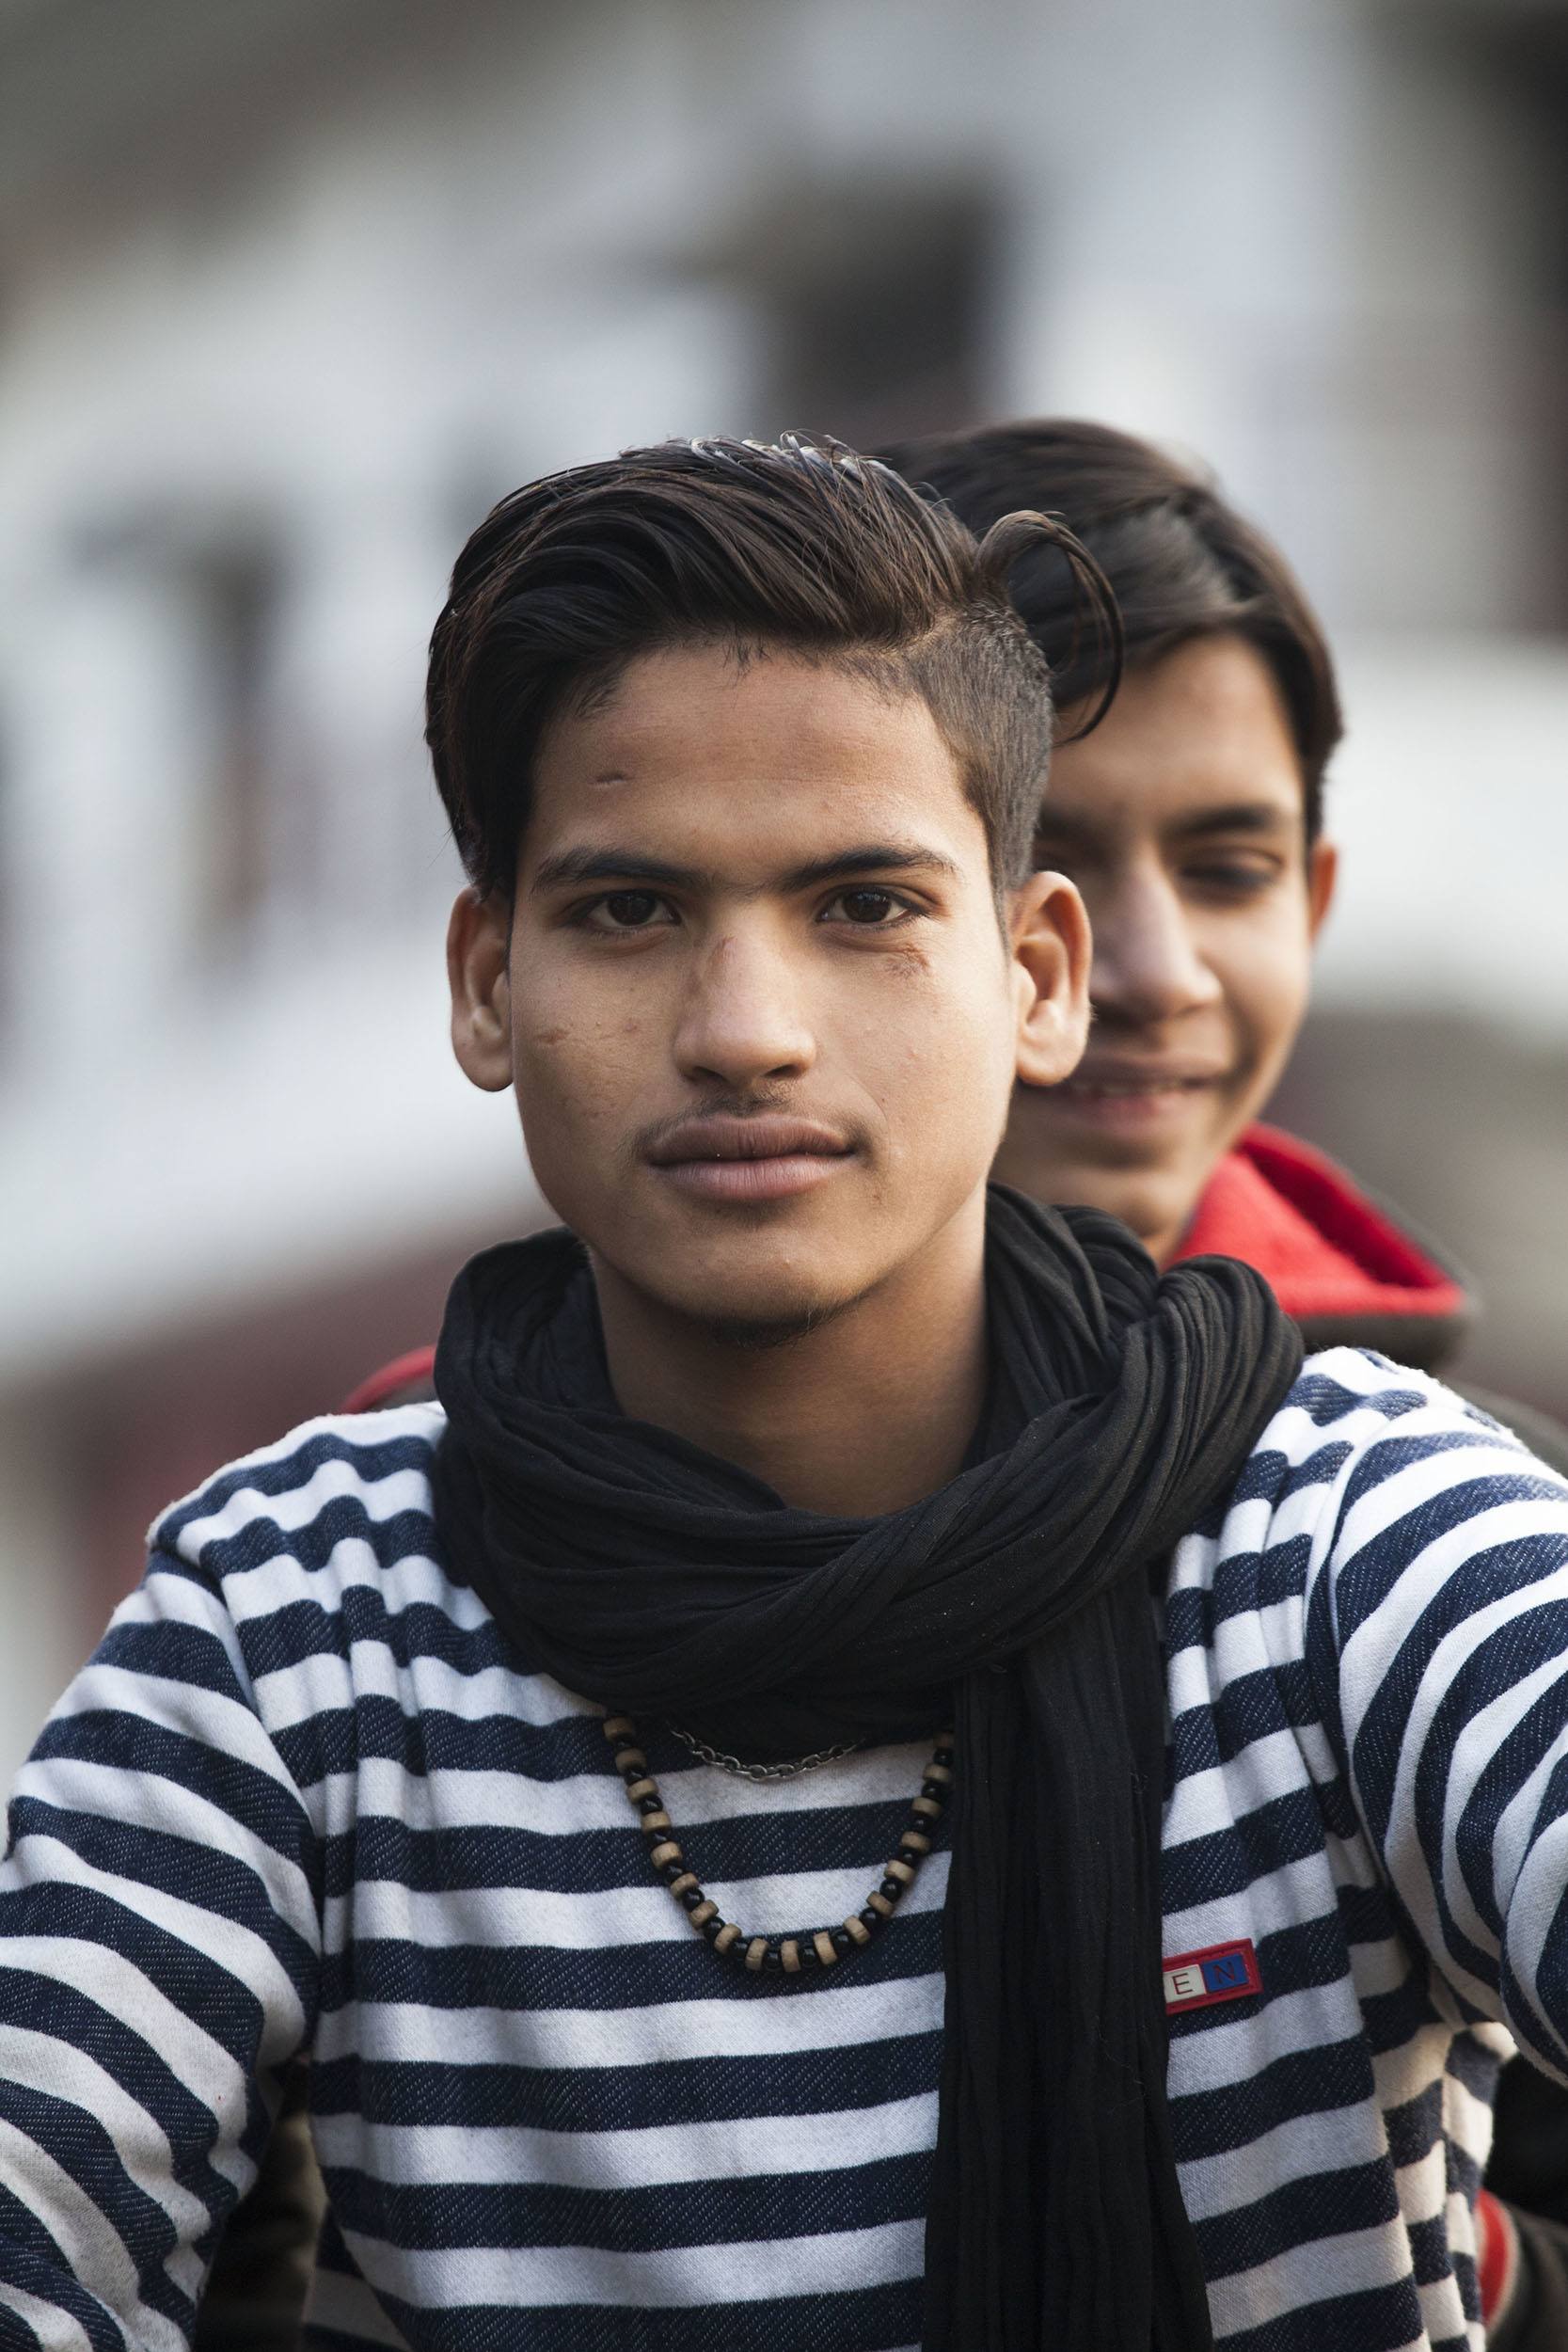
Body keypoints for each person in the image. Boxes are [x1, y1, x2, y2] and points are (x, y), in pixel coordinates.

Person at [4, 435, 1568, 2352]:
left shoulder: (1351, 1536)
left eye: (863, 906)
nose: (748, 1030)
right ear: (487, 981)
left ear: (1030, 975)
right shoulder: (293, 1621)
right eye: (632, 912)